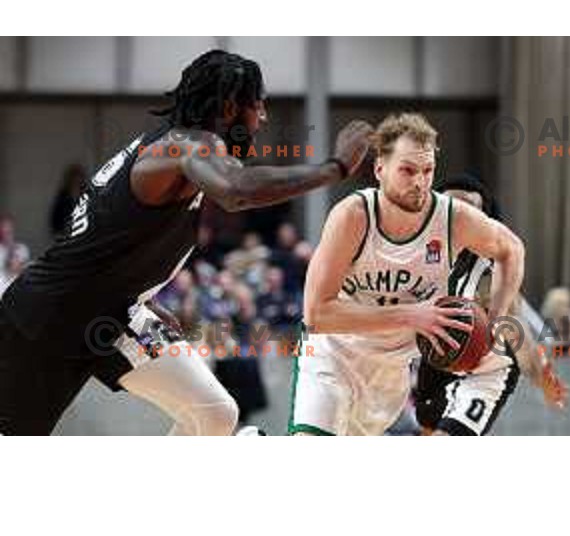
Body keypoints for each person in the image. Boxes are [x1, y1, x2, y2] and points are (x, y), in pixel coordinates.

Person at [0, 49, 371, 435]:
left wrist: (143, 296)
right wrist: (335, 168)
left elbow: (116, 240)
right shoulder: (185, 147)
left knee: (215, 412)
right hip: (46, 319)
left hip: (115, 314)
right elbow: (235, 190)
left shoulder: (180, 153)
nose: (263, 118)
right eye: (258, 106)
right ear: (229, 106)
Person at [289, 112, 525, 436]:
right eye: (407, 170)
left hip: (390, 373)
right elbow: (317, 315)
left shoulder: (452, 217)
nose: (420, 182)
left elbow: (511, 249)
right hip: (332, 356)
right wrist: (412, 315)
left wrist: (496, 317)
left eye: (428, 171)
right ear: (379, 169)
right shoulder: (353, 216)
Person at [413, 175, 567, 436]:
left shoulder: (490, 268)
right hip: (436, 360)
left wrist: (540, 375)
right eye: (453, 207)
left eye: (471, 209)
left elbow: (514, 328)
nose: (461, 216)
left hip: (487, 366)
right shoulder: (417, 253)